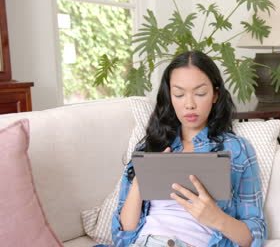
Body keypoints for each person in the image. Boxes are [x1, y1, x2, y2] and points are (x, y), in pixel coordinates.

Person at [110, 51, 266, 247]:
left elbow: (254, 235)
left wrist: (217, 218)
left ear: (215, 95)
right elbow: (122, 236)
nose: (190, 104)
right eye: (179, 94)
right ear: (170, 96)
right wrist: (141, 181)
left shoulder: (237, 149)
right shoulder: (150, 148)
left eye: (200, 94)